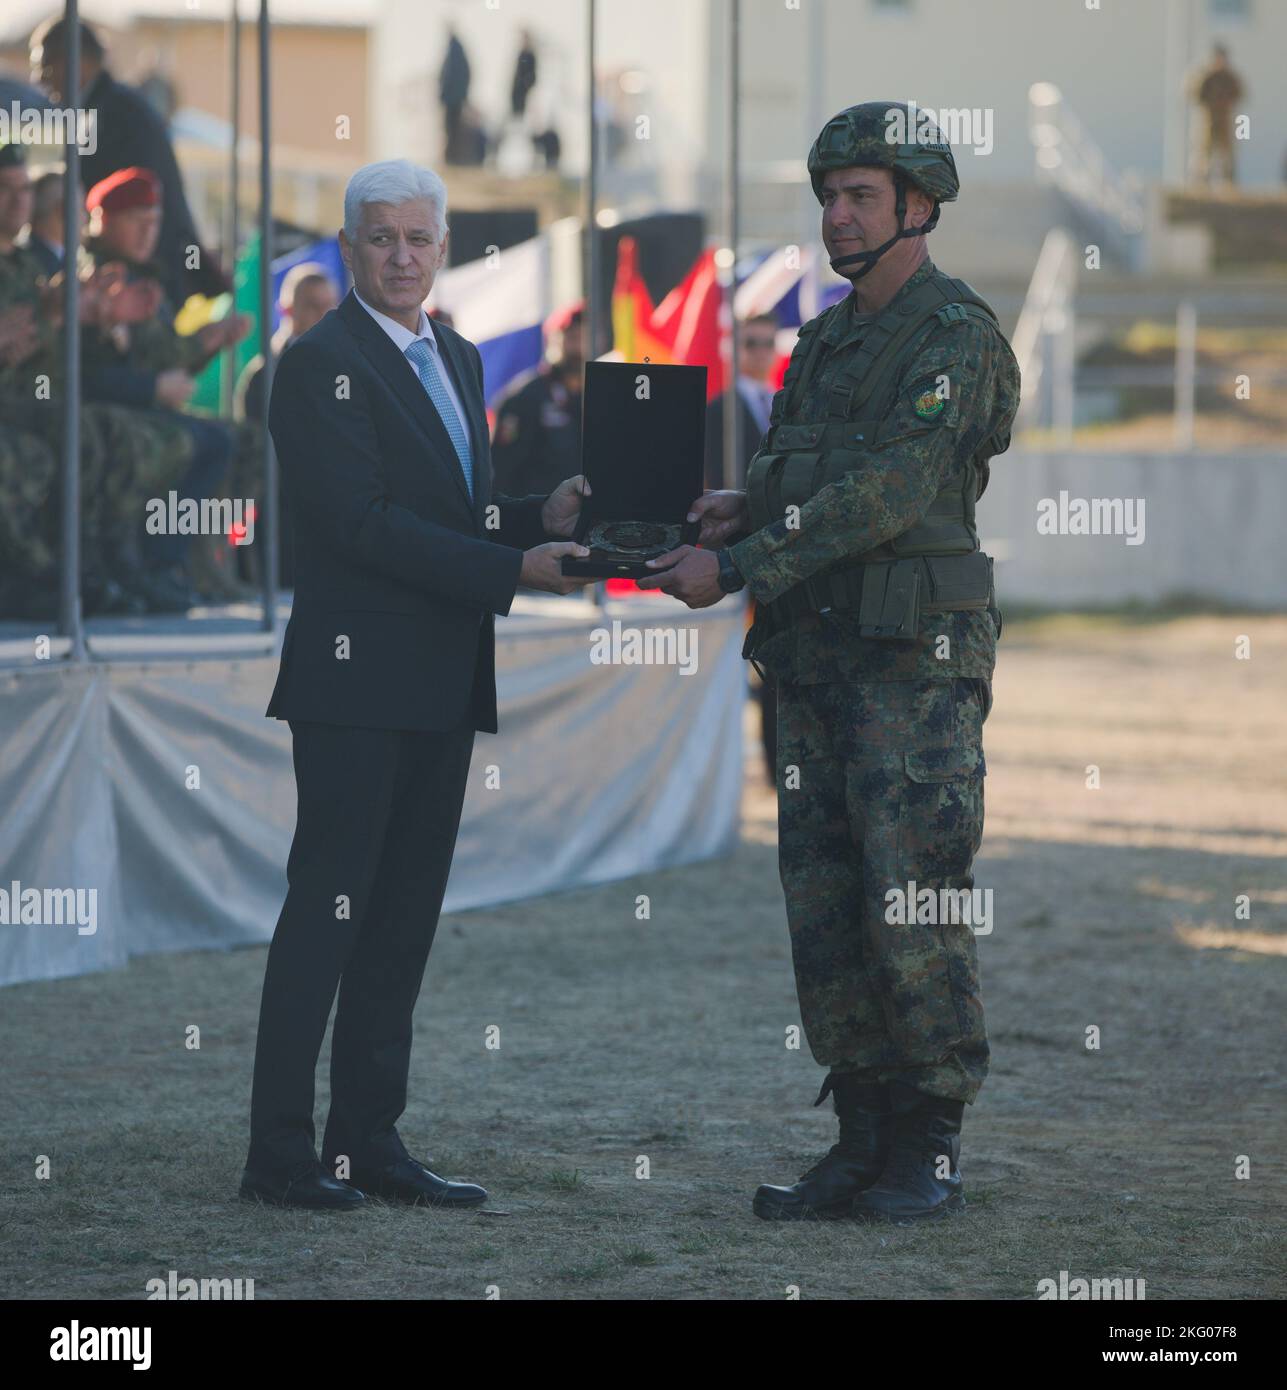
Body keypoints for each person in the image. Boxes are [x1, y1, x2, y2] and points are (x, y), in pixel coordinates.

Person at [638, 102, 1020, 1224]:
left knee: (911, 901)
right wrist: (737, 504)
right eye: (828, 197)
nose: (836, 216)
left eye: (859, 196)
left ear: (918, 206)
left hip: (914, 668)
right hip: (817, 666)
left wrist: (746, 559)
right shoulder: (825, 338)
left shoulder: (956, 335)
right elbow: (808, 471)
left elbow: (891, 493)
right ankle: (859, 1139)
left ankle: (929, 1142)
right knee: (826, 905)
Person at [241, 158, 597, 1211]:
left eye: (420, 238)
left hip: (443, 674)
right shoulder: (318, 363)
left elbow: (455, 512)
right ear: (350, 249)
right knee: (329, 912)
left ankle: (368, 1142)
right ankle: (277, 1154)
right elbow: (360, 525)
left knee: (402, 920)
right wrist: (510, 570)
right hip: (354, 685)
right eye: (382, 237)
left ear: (445, 248)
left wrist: (542, 518)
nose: (403, 255)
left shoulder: (463, 354)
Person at [30, 15, 230, 306]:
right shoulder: (117, 107)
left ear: (77, 61)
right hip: (154, 273)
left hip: (141, 280)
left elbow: (81, 194)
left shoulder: (108, 116)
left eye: (45, 65)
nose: (39, 79)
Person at [705, 312, 783, 779]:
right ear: (732, 348)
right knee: (722, 662)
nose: (758, 352)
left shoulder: (784, 405)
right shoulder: (717, 411)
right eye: (750, 342)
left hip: (775, 550)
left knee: (772, 656)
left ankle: (777, 765)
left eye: (766, 343)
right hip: (728, 549)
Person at [234, 263, 341, 589]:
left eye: (329, 307)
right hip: (285, 507)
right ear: (287, 309)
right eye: (312, 306)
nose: (323, 316)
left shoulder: (347, 365)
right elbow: (264, 446)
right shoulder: (264, 374)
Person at [490, 300, 584, 498]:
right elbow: (503, 472)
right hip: (539, 517)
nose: (578, 347)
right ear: (552, 340)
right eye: (572, 337)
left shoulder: (595, 396)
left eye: (584, 337)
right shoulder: (524, 398)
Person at [1189, 43, 1245, 187]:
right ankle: (1202, 182)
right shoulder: (1207, 76)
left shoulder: (1230, 77)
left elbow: (1240, 94)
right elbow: (1195, 94)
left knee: (1227, 154)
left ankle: (1229, 182)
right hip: (1208, 121)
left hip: (1226, 120)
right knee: (1204, 153)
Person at [18, 166, 70, 276]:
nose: (86, 219)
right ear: (62, 210)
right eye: (81, 209)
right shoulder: (36, 266)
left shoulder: (59, 259)